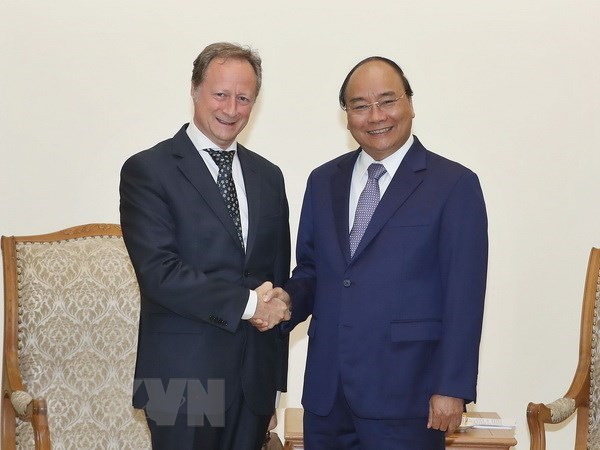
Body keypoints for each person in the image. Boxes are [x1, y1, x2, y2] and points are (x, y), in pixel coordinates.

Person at [269, 56, 488, 449]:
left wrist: (451, 387)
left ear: (410, 104)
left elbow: (464, 295)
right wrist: (286, 300)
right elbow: (313, 271)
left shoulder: (454, 185)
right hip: (327, 395)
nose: (375, 116)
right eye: (360, 106)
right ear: (347, 116)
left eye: (387, 101)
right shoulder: (323, 181)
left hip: (409, 398)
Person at [119, 42, 291, 450]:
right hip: (181, 380)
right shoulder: (149, 170)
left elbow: (275, 275)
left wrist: (275, 378)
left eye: (244, 98)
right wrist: (250, 305)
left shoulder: (269, 176)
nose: (232, 109)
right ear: (194, 90)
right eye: (220, 94)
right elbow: (160, 273)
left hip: (254, 382)